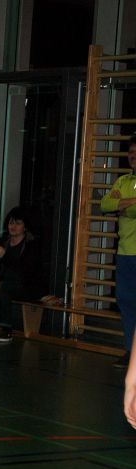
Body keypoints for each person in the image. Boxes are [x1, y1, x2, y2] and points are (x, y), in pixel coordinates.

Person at [0, 206, 44, 343]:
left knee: (4, 287)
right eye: (11, 223)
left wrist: (5, 255)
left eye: (17, 223)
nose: (13, 226)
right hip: (4, 281)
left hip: (25, 285)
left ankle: (6, 329)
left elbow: (26, 270)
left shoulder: (31, 245)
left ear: (25, 226)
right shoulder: (3, 240)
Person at [101, 135, 136, 369]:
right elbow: (105, 205)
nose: (133, 156)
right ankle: (130, 351)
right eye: (131, 152)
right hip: (125, 253)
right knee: (126, 302)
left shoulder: (122, 188)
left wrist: (122, 204)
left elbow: (130, 212)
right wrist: (126, 203)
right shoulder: (123, 180)